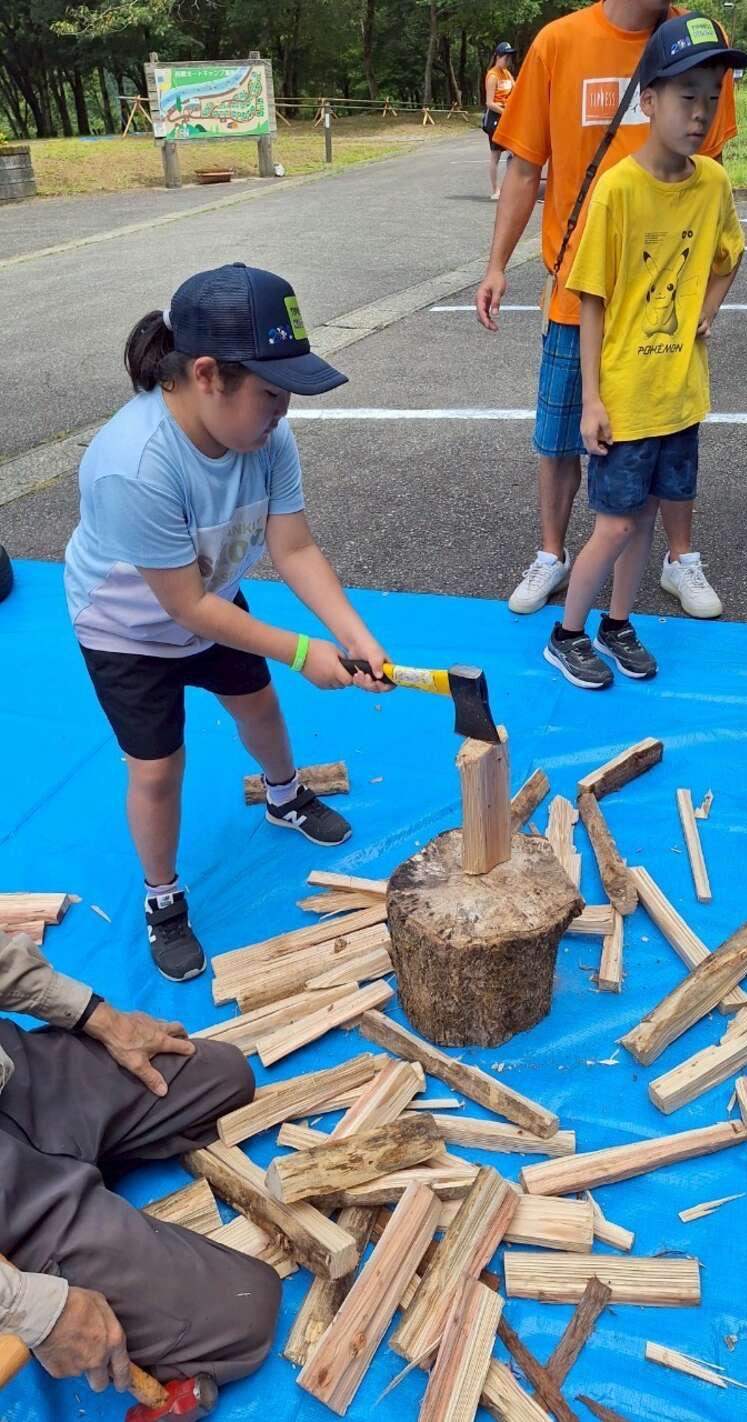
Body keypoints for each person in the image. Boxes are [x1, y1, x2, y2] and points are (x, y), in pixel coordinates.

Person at [64, 263, 391, 983]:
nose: (283, 411)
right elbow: (182, 608)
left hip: (209, 595)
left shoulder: (265, 439)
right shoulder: (134, 463)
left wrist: (355, 635)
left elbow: (294, 546)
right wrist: (303, 648)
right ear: (207, 374)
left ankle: (284, 795)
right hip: (129, 630)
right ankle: (163, 897)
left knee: (258, 703)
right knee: (157, 769)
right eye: (272, 394)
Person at [476, 1, 738, 620]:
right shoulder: (559, 42)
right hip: (578, 288)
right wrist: (496, 264)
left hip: (661, 303)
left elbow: (712, 171)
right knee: (561, 432)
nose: (698, 109)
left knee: (672, 427)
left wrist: (705, 296)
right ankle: (551, 554)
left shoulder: (697, 37)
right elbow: (524, 166)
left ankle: (681, 558)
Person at [543, 14, 747, 690]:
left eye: (711, 98)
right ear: (649, 100)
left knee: (650, 515)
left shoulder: (712, 185)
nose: (700, 113)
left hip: (680, 392)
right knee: (614, 523)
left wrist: (705, 316)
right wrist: (594, 400)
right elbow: (591, 297)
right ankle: (566, 634)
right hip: (627, 393)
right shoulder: (620, 189)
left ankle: (617, 622)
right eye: (686, 96)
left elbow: (728, 256)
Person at [0, 927, 278, 1396]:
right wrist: (31, 1308)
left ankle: (82, 1177)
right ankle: (63, 1229)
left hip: (14, 1081)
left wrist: (100, 1018)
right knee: (248, 1310)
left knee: (227, 1078)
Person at [484, 42, 516, 200]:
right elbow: (489, 103)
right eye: (505, 56)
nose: (508, 60)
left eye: (509, 57)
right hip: (496, 117)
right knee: (496, 155)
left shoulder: (508, 74)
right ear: (498, 56)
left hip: (508, 116)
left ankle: (510, 187)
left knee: (515, 151)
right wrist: (505, 112)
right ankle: (495, 189)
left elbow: (516, 92)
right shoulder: (493, 75)